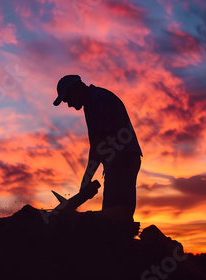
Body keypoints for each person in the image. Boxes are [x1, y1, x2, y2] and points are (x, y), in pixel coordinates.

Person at [53, 75, 142, 221]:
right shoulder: (94, 100)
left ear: (76, 88)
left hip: (122, 162)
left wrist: (87, 179)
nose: (68, 104)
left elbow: (100, 142)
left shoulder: (97, 99)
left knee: (113, 216)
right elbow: (100, 145)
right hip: (122, 161)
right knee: (118, 213)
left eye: (67, 98)